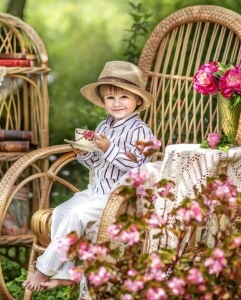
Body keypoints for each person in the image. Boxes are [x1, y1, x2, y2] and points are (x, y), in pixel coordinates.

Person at [22, 61, 155, 291]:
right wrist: (85, 154)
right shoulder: (104, 125)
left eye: (124, 97)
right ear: (103, 101)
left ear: (138, 100)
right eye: (110, 98)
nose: (117, 103)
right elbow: (98, 163)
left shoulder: (140, 130)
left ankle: (43, 270)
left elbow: (139, 164)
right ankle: (65, 273)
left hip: (119, 199)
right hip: (96, 192)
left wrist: (109, 148)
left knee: (76, 214)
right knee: (62, 211)